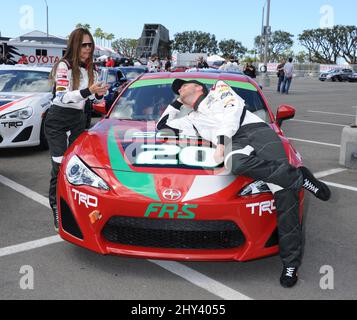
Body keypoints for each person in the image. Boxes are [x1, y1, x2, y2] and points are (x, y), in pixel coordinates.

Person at [157, 79, 331, 288]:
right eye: (177, 90)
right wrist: (177, 104)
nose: (180, 89)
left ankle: (290, 264)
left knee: (285, 195)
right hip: (235, 143)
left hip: (255, 130)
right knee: (235, 163)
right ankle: (298, 176)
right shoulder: (191, 119)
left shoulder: (219, 89)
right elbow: (162, 127)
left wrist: (220, 144)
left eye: (184, 85)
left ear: (198, 87)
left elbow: (231, 114)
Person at [45, 28, 109, 232]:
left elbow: (94, 100)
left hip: (78, 120)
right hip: (57, 119)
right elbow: (62, 97)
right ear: (74, 45)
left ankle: (77, 210)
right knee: (59, 166)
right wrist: (88, 90)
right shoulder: (63, 66)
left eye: (90, 44)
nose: (88, 49)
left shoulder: (92, 70)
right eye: (84, 44)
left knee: (77, 167)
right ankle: (57, 209)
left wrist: (99, 94)